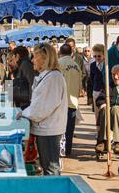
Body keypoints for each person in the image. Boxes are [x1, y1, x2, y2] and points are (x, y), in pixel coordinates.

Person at [17, 43, 68, 176]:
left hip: (49, 130)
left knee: (51, 167)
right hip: (45, 128)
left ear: (45, 59)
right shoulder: (47, 76)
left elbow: (42, 108)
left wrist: (24, 113)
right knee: (47, 166)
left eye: (35, 57)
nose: (32, 60)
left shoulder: (53, 77)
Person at [58, 44, 82, 156]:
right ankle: (68, 150)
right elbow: (80, 86)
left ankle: (61, 150)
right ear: (71, 53)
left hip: (61, 101)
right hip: (73, 101)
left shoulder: (59, 64)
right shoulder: (76, 65)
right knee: (70, 129)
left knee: (60, 128)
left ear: (60, 52)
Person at [89, 44, 105, 123]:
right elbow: (91, 79)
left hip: (106, 92)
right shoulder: (92, 65)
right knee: (97, 113)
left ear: (104, 55)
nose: (97, 58)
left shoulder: (107, 64)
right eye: (94, 56)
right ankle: (98, 131)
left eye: (99, 56)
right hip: (96, 91)